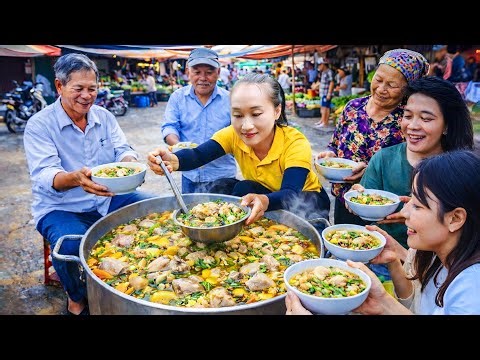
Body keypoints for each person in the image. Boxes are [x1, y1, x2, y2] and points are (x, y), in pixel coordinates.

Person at [23, 53, 155, 315]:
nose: (87, 95)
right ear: (60, 87)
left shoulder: (104, 117)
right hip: (60, 207)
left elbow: (123, 149)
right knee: (70, 245)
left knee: (152, 208)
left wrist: (129, 163)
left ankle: (137, 277)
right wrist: (76, 179)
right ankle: (77, 299)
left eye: (92, 88)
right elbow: (47, 175)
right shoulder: (39, 125)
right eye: (78, 89)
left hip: (107, 197)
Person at [287, 150, 480, 315]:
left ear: (455, 219)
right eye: (409, 201)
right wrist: (384, 301)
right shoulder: (438, 257)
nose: (403, 213)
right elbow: (417, 309)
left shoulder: (471, 291)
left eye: (418, 206)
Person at [148, 73, 331, 225]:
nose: (246, 126)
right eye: (237, 115)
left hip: (307, 199)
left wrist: (265, 201)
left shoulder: (295, 142)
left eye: (256, 114)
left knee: (308, 223)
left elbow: (291, 193)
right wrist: (173, 160)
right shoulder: (233, 134)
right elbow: (198, 155)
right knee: (237, 187)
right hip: (265, 190)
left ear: (276, 111)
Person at [351, 76, 474, 251]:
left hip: (439, 264)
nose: (412, 126)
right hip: (383, 256)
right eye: (408, 116)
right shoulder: (383, 159)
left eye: (426, 119)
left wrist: (426, 213)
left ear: (446, 126)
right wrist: (357, 199)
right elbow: (366, 212)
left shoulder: (461, 170)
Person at [317, 48, 430, 226]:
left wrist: (369, 170)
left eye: (392, 85)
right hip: (344, 197)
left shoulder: (407, 120)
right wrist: (330, 155)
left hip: (382, 207)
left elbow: (409, 163)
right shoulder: (353, 107)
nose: (381, 89)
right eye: (378, 80)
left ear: (407, 89)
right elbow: (335, 142)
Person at [161, 47, 237, 194]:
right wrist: (179, 145)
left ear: (218, 73)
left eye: (209, 72)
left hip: (222, 175)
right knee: (190, 216)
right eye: (197, 72)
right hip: (190, 174)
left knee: (226, 214)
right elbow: (170, 126)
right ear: (188, 72)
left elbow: (239, 133)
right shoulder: (177, 97)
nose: (203, 78)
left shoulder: (231, 100)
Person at [314, 58, 335, 127]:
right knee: (323, 107)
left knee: (326, 108)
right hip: (323, 93)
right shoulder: (323, 72)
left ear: (323, 64)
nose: (319, 66)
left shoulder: (329, 72)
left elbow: (332, 83)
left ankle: (325, 122)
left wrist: (329, 93)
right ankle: (322, 121)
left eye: (320, 65)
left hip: (326, 93)